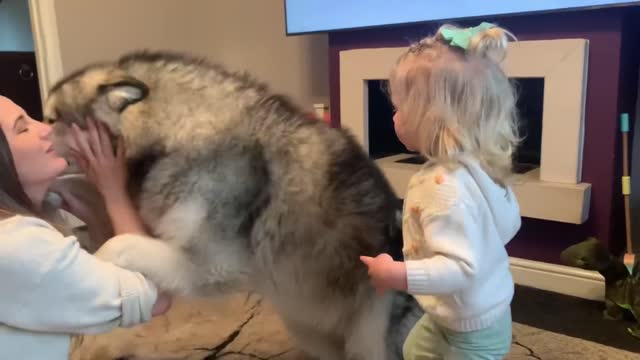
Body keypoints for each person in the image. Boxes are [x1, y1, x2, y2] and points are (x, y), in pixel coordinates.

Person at [360, 22, 522, 359]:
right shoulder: (478, 164)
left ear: (431, 118)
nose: (394, 117)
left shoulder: (442, 188)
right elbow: (510, 224)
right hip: (479, 312)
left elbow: (461, 269)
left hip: (471, 332)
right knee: (414, 348)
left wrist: (397, 275)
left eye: (400, 107)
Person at [0, 95, 171, 359]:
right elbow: (155, 297)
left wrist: (96, 214)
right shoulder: (18, 245)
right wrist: (114, 191)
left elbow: (101, 286)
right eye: (22, 128)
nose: (46, 129)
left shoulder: (31, 228)